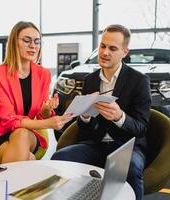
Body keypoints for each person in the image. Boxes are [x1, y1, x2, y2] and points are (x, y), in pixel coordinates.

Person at [51, 24, 151, 200]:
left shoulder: (139, 81)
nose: (105, 53)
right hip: (97, 143)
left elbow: (141, 128)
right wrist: (85, 115)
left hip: (127, 146)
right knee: (60, 156)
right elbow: (84, 128)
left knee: (132, 169)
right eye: (103, 46)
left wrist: (120, 117)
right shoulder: (89, 80)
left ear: (124, 52)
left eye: (113, 48)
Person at [0, 21, 73, 164]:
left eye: (37, 41)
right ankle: (27, 173)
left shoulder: (43, 74)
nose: (33, 46)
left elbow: (40, 116)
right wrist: (48, 123)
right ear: (13, 43)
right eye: (26, 40)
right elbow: (9, 120)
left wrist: (46, 110)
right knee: (26, 158)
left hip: (26, 134)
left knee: (21, 134)